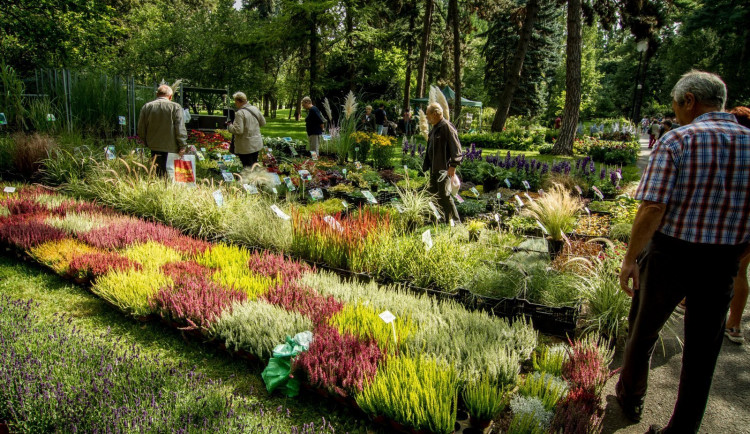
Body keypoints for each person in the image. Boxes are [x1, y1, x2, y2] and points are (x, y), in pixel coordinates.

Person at [616, 70, 750, 434]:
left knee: (642, 332)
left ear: (689, 100)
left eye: (676, 105)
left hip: (670, 256)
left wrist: (630, 258)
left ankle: (630, 399)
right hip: (723, 262)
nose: (674, 113)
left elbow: (652, 208)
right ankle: (682, 429)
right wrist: (738, 255)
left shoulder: (679, 141)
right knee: (703, 354)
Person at [725, 106, 750, 344]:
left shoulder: (728, 148)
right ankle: (734, 324)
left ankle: (688, 302)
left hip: (726, 224)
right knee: (740, 272)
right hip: (746, 228)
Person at [422, 102, 462, 223]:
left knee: (444, 195)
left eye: (428, 114)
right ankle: (438, 220)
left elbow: (456, 148)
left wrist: (453, 166)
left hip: (443, 169)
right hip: (434, 169)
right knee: (433, 194)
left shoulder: (446, 127)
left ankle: (456, 222)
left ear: (435, 114)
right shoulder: (435, 127)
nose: (427, 117)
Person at [137, 84, 187, 177]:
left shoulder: (147, 107)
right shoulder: (176, 107)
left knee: (157, 173)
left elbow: (141, 128)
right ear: (170, 96)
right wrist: (182, 145)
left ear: (157, 94)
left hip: (154, 145)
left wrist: (146, 141)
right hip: (172, 146)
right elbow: (180, 128)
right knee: (172, 174)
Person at [227, 92, 265, 167]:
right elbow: (263, 122)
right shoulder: (255, 109)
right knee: (254, 165)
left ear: (238, 101)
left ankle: (249, 179)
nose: (235, 104)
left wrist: (229, 125)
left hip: (246, 146)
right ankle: (256, 178)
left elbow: (238, 131)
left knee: (247, 168)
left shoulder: (240, 113)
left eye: (235, 102)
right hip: (256, 143)